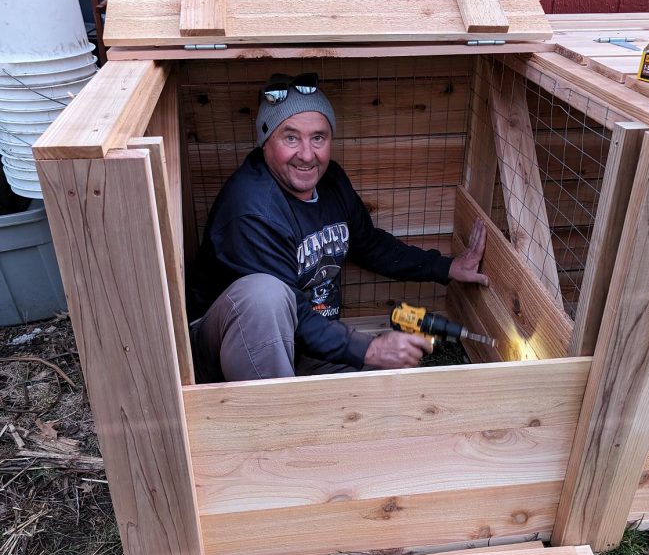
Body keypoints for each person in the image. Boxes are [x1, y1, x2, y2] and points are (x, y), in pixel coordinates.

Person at [188, 73, 489, 382]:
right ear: (265, 141)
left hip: (304, 342)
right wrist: (369, 348)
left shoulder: (330, 180)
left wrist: (447, 267)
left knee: (389, 381)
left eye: (318, 137)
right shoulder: (252, 210)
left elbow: (369, 244)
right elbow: (293, 314)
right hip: (229, 350)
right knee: (265, 295)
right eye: (291, 137)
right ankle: (276, 424)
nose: (306, 154)